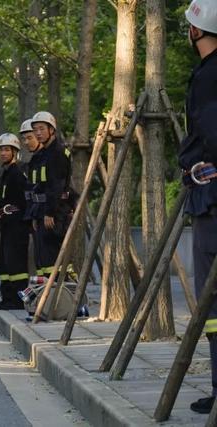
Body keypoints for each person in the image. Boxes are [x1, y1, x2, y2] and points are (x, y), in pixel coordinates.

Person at [179, 0, 217, 414]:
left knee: (212, 300)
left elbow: (210, 129)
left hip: (212, 201)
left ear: (196, 31)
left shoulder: (208, 77)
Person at [27, 111, 74, 278]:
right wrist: (35, 213)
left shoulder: (58, 152)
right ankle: (48, 296)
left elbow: (56, 186)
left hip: (55, 212)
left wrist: (49, 213)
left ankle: (62, 297)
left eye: (41, 129)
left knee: (53, 258)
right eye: (35, 130)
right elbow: (40, 187)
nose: (38, 133)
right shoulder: (44, 153)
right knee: (43, 259)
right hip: (42, 211)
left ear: (51, 130)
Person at [0, 133, 29, 310]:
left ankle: (19, 299)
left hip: (17, 225)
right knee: (4, 263)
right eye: (1, 150)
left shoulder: (17, 173)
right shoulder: (4, 173)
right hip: (6, 225)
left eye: (7, 150)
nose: (3, 153)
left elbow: (23, 200)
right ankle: (7, 297)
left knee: (16, 264)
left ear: (15, 152)